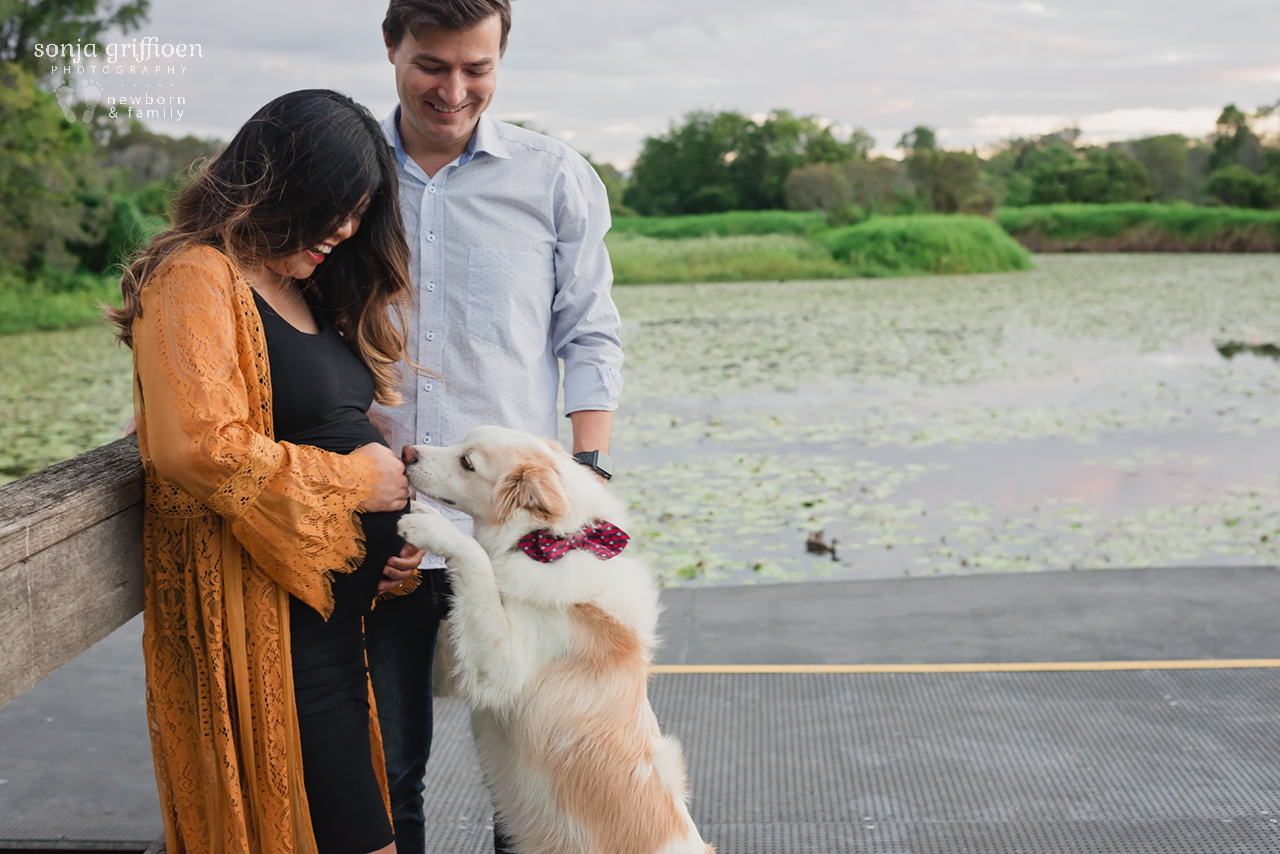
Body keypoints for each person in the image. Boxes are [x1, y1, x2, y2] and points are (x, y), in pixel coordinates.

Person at [108, 89, 427, 854]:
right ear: (279, 182)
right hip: (270, 646)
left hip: (333, 638)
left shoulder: (305, 288)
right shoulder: (194, 274)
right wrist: (361, 488)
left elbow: (303, 425)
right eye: (332, 208)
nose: (346, 231)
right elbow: (198, 447)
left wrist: (389, 545)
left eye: (357, 212)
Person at [366, 2, 625, 852]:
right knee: (385, 770)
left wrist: (591, 474)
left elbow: (589, 333)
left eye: (475, 68)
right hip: (378, 522)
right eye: (431, 65)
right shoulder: (349, 176)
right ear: (391, 50)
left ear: (501, 58)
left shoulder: (554, 176)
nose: (453, 89)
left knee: (531, 779)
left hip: (517, 535)